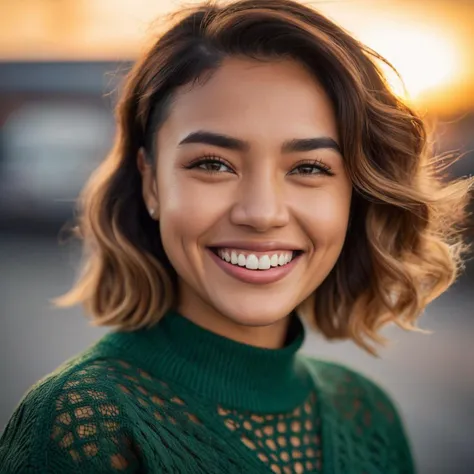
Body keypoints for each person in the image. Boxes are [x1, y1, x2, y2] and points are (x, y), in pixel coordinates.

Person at [0, 0, 471, 472]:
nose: (262, 213)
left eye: (309, 167)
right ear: (151, 183)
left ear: (355, 195)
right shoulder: (84, 422)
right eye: (212, 164)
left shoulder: (369, 415)